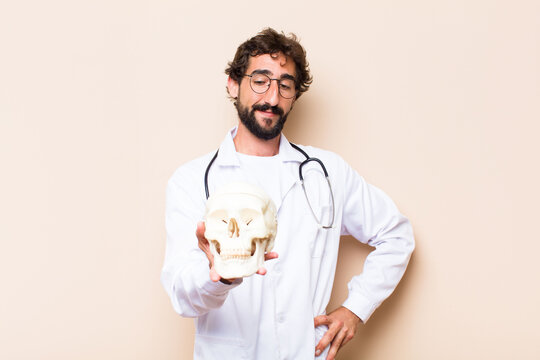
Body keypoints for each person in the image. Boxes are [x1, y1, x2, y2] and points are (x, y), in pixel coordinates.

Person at [161, 28, 414, 360]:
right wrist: (219, 277)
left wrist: (357, 307)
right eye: (260, 80)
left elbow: (396, 235)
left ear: (295, 94)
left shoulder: (326, 172)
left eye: (285, 85)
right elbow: (182, 296)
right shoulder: (192, 180)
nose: (272, 98)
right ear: (233, 84)